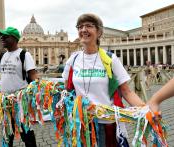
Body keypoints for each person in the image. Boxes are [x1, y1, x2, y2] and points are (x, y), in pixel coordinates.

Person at [62, 13, 145, 147]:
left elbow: (127, 92)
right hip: (82, 124)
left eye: (89, 26)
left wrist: (145, 110)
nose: (83, 30)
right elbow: (67, 90)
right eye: (80, 27)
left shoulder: (110, 59)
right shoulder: (73, 59)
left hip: (106, 124)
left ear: (99, 32)